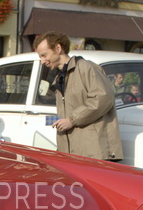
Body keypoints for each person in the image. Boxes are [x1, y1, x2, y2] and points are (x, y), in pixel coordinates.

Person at [33, 31, 122, 161]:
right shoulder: (60, 78)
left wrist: (72, 120)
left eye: (44, 55)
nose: (42, 61)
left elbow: (103, 98)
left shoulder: (85, 67)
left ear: (58, 48)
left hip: (93, 152)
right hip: (75, 153)